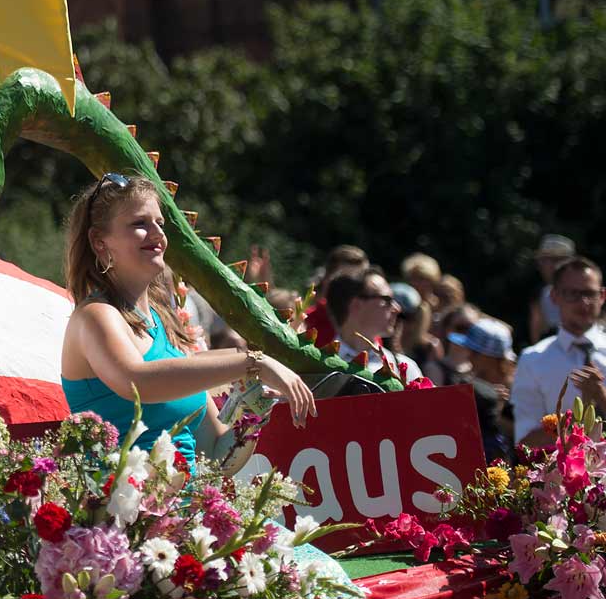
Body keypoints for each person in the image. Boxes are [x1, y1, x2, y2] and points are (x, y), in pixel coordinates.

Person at [60, 173, 317, 464]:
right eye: (139, 224)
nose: (157, 234)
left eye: (160, 223)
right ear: (99, 241)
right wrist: (253, 362)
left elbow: (217, 454)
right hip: (121, 505)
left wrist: (252, 415)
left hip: (184, 506)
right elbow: (137, 383)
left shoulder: (163, 321)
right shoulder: (96, 316)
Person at [512, 256, 606, 448]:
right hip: (562, 475)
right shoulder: (534, 359)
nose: (584, 302)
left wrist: (601, 397)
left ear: (602, 296)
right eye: (573, 294)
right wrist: (576, 419)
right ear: (554, 296)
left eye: (590, 293)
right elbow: (526, 443)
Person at [324, 269, 425, 383]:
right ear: (356, 304)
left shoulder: (405, 369)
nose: (397, 308)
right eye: (387, 300)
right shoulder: (315, 367)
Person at [444, 316, 517, 461]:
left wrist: (496, 410)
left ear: (493, 357)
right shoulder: (465, 384)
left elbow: (524, 435)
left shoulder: (519, 387)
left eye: (475, 352)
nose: (469, 356)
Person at [302, 244, 370, 349]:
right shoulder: (306, 322)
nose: (350, 290)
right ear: (326, 280)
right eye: (344, 281)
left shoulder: (370, 330)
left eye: (358, 283)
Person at [528, 234, 579, 343]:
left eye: (555, 260)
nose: (548, 265)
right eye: (544, 260)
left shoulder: (585, 292)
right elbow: (536, 336)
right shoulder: (541, 294)